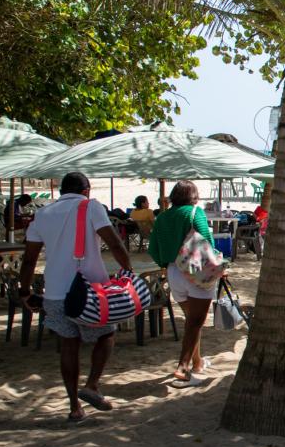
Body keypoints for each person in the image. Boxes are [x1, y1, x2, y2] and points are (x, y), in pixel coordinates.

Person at [17, 172, 133, 423]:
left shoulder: (42, 215)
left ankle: (74, 408)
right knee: (106, 334)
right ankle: (91, 385)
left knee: (69, 345)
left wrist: (24, 291)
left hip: (56, 291)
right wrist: (128, 270)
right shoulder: (90, 206)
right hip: (90, 289)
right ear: (86, 190)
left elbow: (29, 259)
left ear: (61, 192)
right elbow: (113, 243)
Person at [148, 180, 216, 388]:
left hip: (173, 271)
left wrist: (165, 264)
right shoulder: (194, 212)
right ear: (194, 195)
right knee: (195, 322)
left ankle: (197, 362)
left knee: (191, 321)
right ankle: (183, 367)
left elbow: (153, 248)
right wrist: (215, 264)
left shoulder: (162, 217)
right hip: (196, 269)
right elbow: (205, 240)